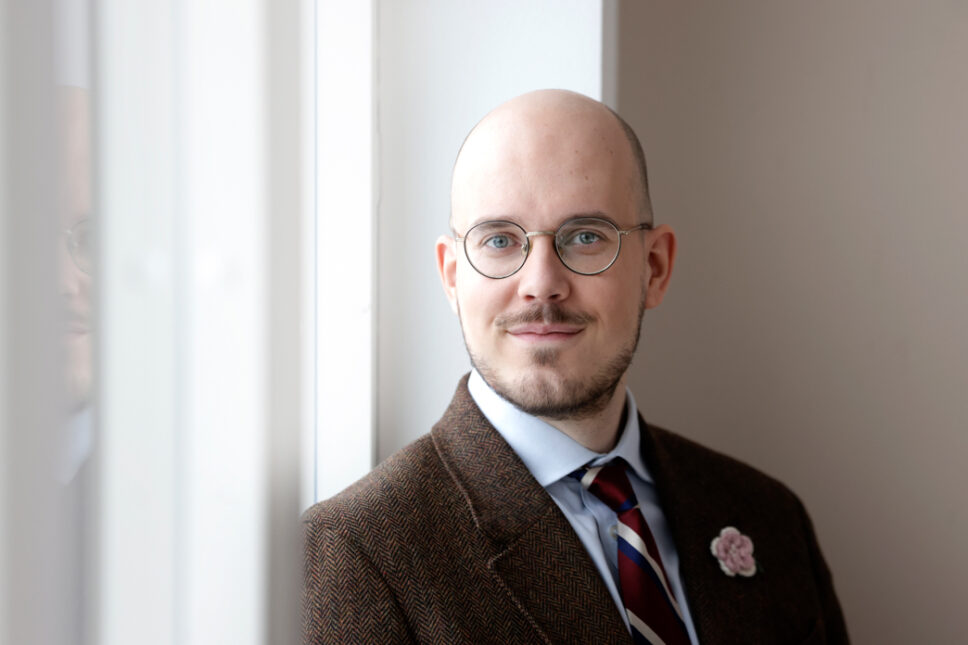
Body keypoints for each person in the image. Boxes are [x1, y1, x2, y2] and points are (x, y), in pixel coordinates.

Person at [303, 89, 849, 644]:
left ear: (655, 268)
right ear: (452, 277)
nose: (541, 283)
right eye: (500, 240)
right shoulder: (356, 553)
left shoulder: (769, 516)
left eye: (586, 237)